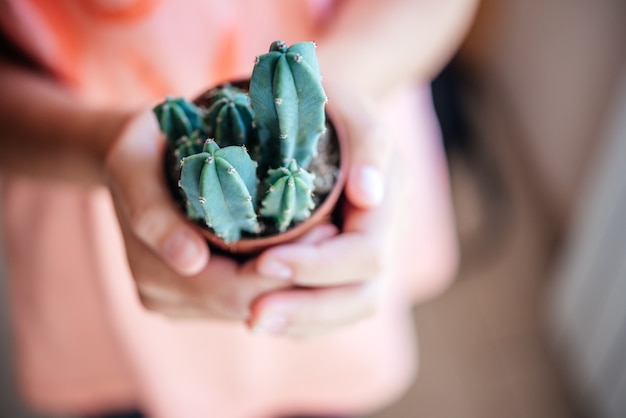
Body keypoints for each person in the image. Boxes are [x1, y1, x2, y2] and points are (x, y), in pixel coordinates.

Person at [0, 1, 477, 417]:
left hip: (360, 87)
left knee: (319, 383)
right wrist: (103, 147)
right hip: (78, 192)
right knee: (132, 395)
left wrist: (332, 88)